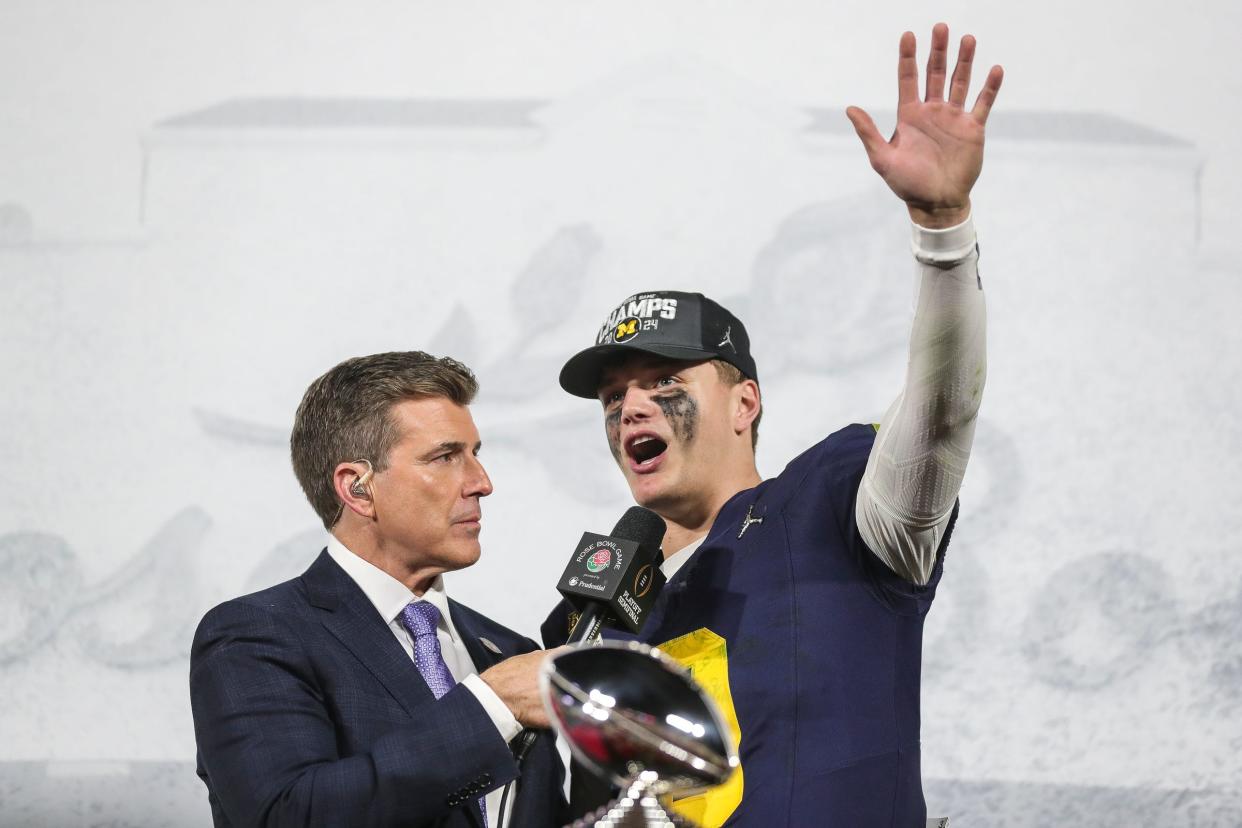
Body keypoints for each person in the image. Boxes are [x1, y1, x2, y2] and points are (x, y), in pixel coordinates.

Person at [542, 24, 1002, 826]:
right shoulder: (600, 611)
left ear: (744, 404)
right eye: (613, 397)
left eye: (664, 381)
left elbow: (940, 413)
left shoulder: (834, 507)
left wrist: (943, 229)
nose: (631, 408)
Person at [190, 351, 567, 828]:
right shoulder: (255, 637)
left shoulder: (507, 652)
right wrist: (493, 706)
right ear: (358, 488)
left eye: (476, 454)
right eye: (446, 456)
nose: (481, 482)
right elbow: (289, 815)